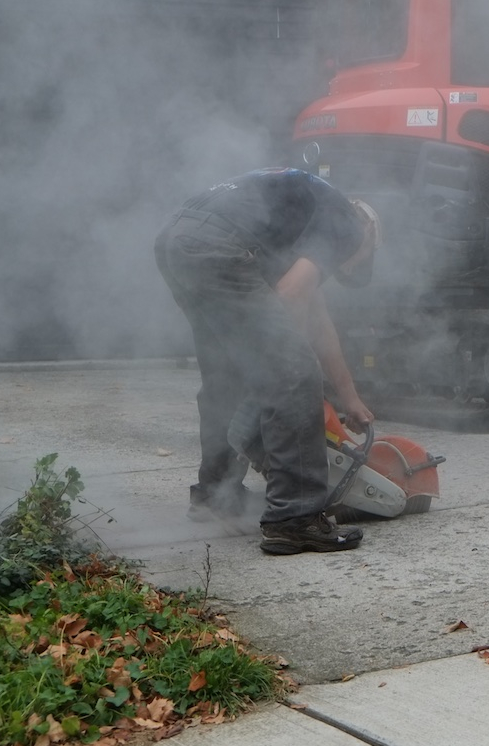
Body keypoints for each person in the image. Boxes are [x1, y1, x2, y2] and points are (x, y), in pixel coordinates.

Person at [154, 168, 380, 553]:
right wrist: (277, 359)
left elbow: (318, 318)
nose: (343, 266)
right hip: (214, 244)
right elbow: (292, 297)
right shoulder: (346, 220)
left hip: (176, 240)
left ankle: (215, 494)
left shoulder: (296, 216)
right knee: (293, 372)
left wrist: (349, 396)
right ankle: (295, 518)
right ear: (368, 237)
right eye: (354, 263)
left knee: (226, 374)